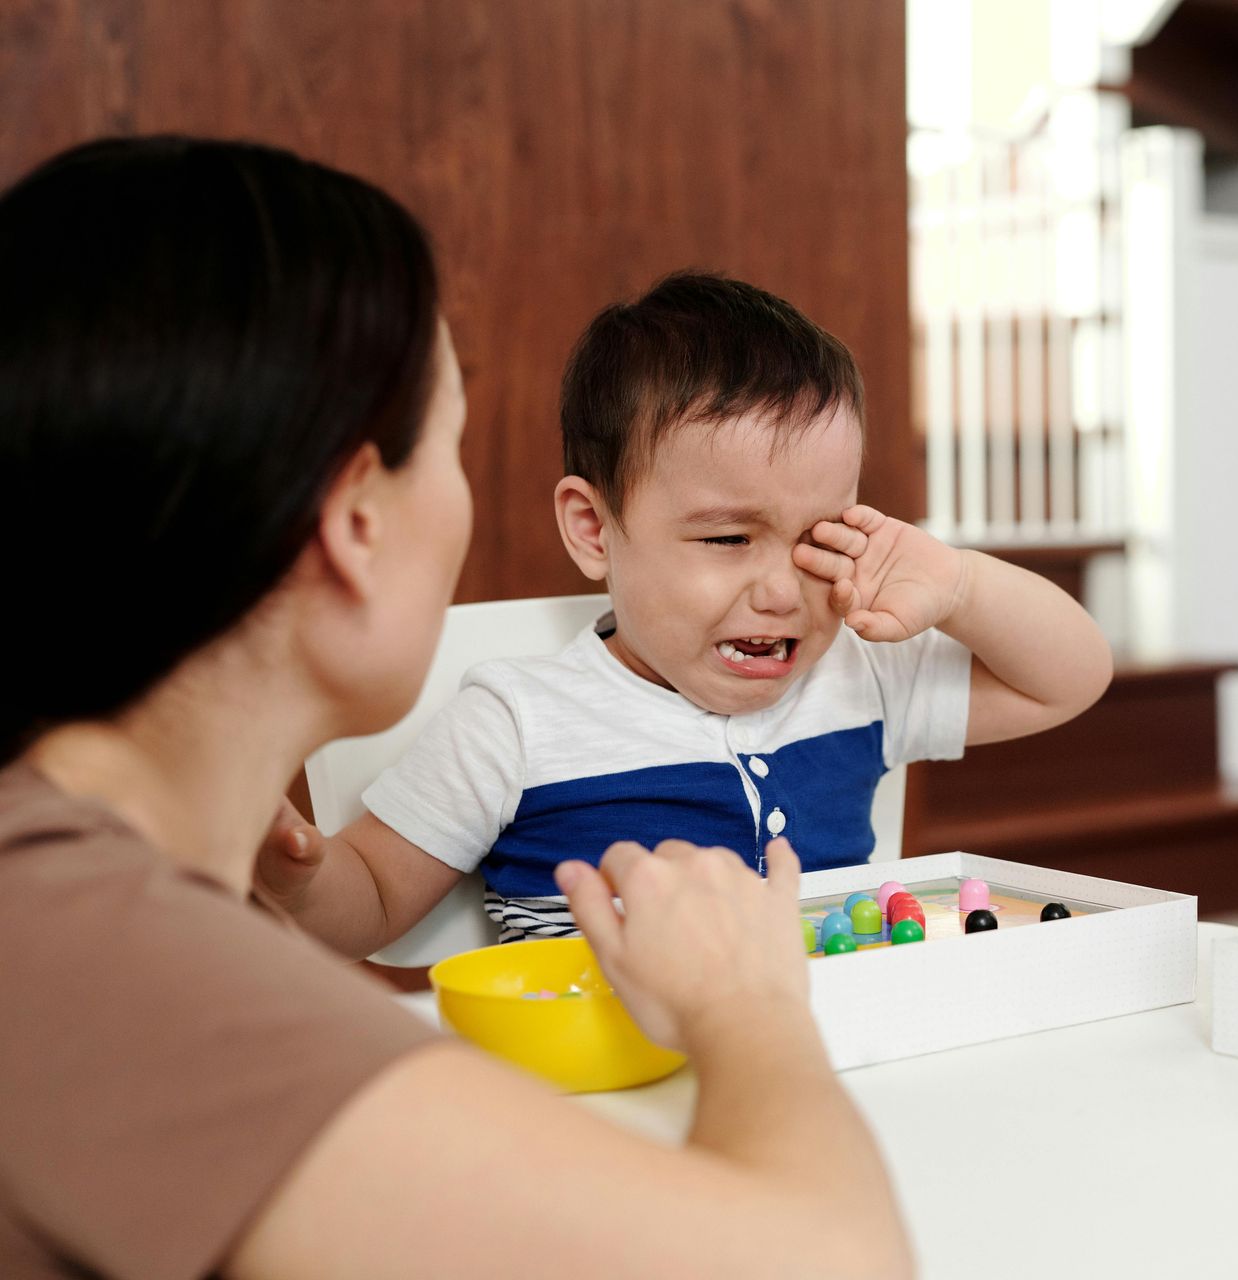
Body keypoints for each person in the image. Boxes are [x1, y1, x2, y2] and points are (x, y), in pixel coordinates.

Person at [0, 135, 912, 1278]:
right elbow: (832, 1260)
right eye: (452, 442)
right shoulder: (112, 965)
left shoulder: (66, 886)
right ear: (356, 523)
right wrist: (750, 1007)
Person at [257, 271, 1113, 951]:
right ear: (594, 530)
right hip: (596, 1098)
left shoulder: (861, 679)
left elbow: (1069, 680)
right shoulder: (518, 724)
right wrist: (296, 872)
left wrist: (959, 584)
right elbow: (368, 901)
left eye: (820, 536)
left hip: (828, 1065)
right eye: (729, 540)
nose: (783, 589)